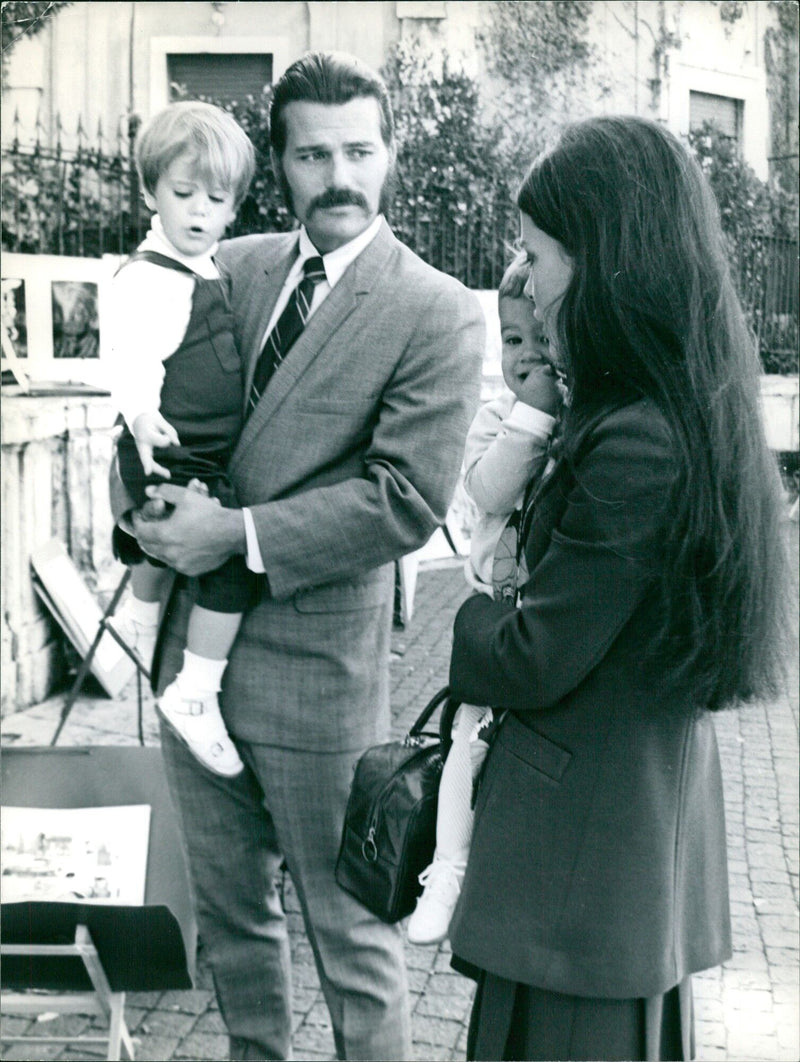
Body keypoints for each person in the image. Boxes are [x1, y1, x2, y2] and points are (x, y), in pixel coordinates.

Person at [113, 51, 485, 1061]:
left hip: (323, 679)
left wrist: (228, 534)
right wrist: (144, 515)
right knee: (232, 928)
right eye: (312, 154)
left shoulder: (434, 308)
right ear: (277, 163)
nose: (338, 176)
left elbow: (403, 499)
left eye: (358, 150)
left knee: (349, 938)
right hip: (194, 660)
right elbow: (156, 419)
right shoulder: (227, 270)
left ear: (389, 155)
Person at [446, 115, 790, 1061]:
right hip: (609, 864)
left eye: (535, 254)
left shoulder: (638, 438)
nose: (525, 281)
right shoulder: (661, 407)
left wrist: (472, 614)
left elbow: (533, 654)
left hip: (583, 881)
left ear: (604, 259)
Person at [407, 252, 561, 946]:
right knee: (466, 746)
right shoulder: (501, 413)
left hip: (554, 622)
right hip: (502, 617)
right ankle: (446, 868)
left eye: (542, 339)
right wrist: (532, 417)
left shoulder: (588, 414)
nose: (526, 356)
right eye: (512, 340)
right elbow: (490, 492)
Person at [108, 101, 256, 778]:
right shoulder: (147, 277)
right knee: (227, 563)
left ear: (234, 209)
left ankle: (143, 622)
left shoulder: (212, 270)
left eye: (215, 198)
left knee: (160, 543)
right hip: (166, 447)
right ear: (150, 193)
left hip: (195, 449)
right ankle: (195, 692)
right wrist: (140, 415)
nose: (198, 211)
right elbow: (129, 355)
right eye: (182, 193)